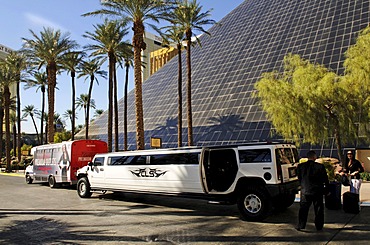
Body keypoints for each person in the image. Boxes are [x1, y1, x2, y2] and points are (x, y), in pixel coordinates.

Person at [296, 150, 329, 231]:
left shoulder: (301, 166)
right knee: (318, 209)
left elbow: (299, 177)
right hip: (317, 191)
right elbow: (325, 179)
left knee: (303, 209)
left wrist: (302, 185)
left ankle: (301, 225)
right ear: (315, 157)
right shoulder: (320, 166)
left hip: (306, 191)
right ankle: (319, 225)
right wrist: (326, 189)